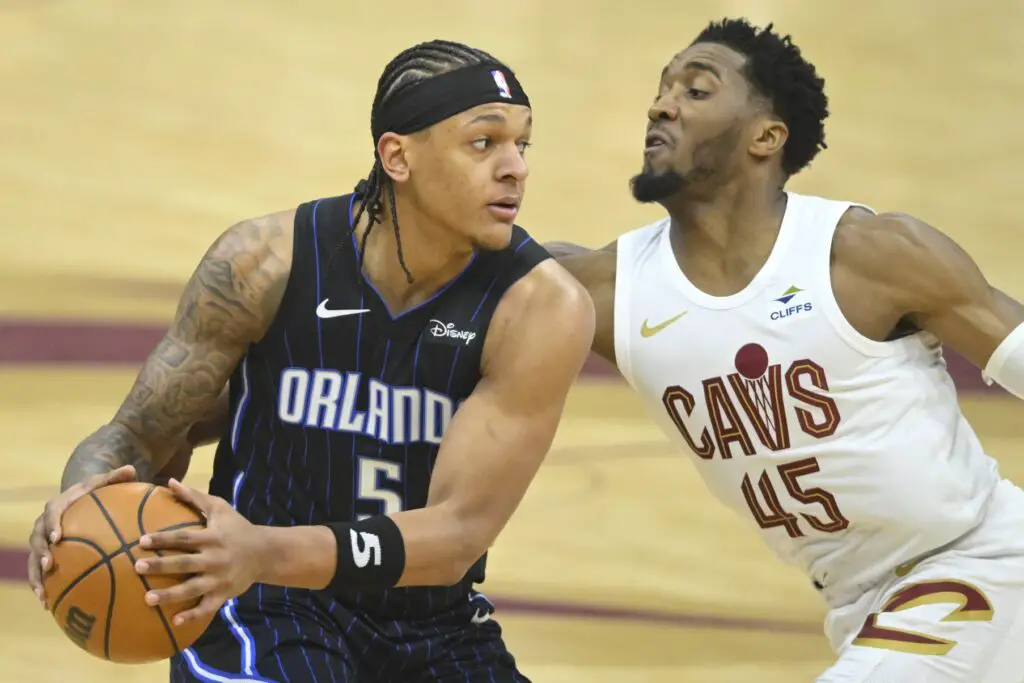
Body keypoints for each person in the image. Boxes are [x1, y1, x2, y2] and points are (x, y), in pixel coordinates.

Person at [27, 39, 595, 683]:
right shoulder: (261, 263)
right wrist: (76, 504)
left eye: (524, 144)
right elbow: (137, 435)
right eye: (484, 142)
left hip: (433, 621)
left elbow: (457, 535)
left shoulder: (540, 308)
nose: (515, 167)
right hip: (262, 603)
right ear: (397, 155)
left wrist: (260, 549)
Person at [546, 17, 1024, 683]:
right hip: (861, 607)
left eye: (696, 90)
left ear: (766, 137)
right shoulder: (608, 292)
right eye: (662, 88)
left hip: (981, 566)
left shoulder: (867, 255)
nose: (662, 104)